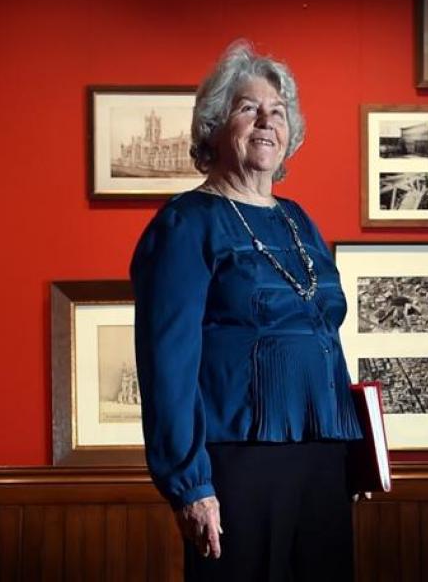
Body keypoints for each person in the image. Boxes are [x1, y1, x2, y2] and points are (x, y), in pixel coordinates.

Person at [130, 41, 362, 582]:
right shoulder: (187, 224)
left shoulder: (299, 220)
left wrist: (354, 448)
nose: (266, 121)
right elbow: (167, 365)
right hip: (236, 463)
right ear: (214, 124)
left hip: (322, 459)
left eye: (278, 112)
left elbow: (324, 338)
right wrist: (190, 484)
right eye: (247, 108)